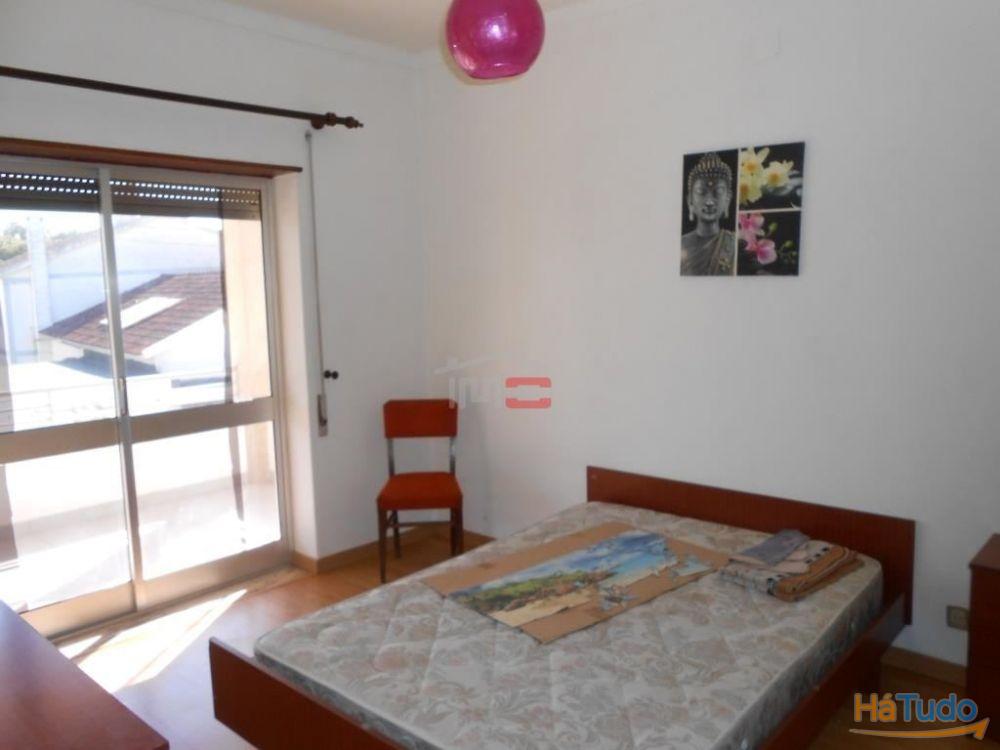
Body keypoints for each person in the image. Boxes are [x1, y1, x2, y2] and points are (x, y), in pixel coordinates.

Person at [681, 152, 736, 276]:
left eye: (718, 192)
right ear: (690, 200)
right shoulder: (680, 245)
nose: (710, 202)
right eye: (701, 192)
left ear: (728, 199)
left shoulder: (734, 244)